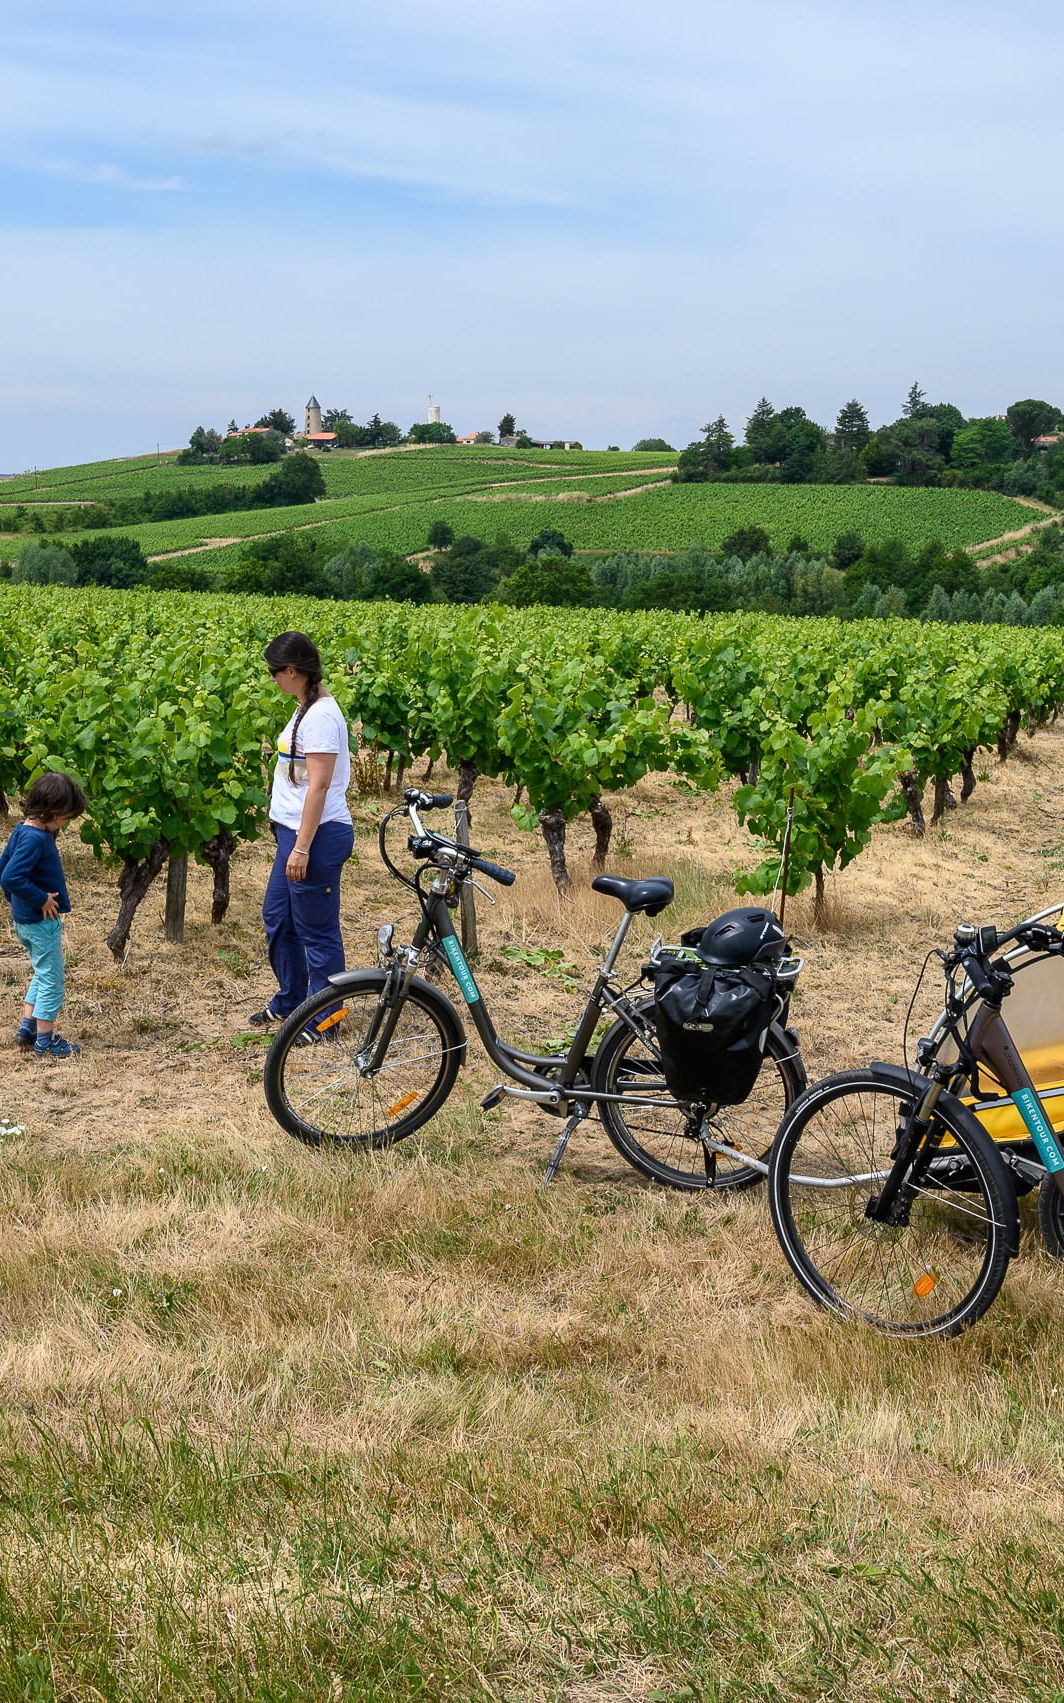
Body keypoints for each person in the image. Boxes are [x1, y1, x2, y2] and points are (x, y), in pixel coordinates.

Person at [250, 631, 355, 1040]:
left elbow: (319, 786)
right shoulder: (305, 708)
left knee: (316, 930)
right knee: (279, 918)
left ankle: (324, 1021)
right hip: (292, 835)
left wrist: (302, 848)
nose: (272, 679)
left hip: (316, 837)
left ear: (292, 671)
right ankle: (293, 1001)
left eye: (274, 671)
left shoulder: (322, 717)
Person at [0, 771, 87, 1060]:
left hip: (25, 921)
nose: (65, 823)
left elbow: (3, 868)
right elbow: (11, 876)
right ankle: (45, 1041)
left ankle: (28, 1028)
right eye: (64, 818)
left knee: (42, 972)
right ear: (51, 811)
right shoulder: (36, 839)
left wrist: (16, 902)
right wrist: (40, 899)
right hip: (40, 923)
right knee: (53, 981)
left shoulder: (21, 830)